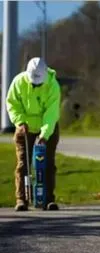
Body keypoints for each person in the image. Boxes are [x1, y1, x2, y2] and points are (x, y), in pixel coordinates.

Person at [6, 57, 61, 211]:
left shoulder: (53, 86)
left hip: (47, 127)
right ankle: (21, 199)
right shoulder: (18, 82)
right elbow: (12, 104)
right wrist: (20, 122)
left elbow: (51, 113)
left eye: (39, 82)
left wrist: (44, 135)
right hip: (25, 127)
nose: (36, 84)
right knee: (23, 164)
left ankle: (48, 199)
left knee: (48, 163)